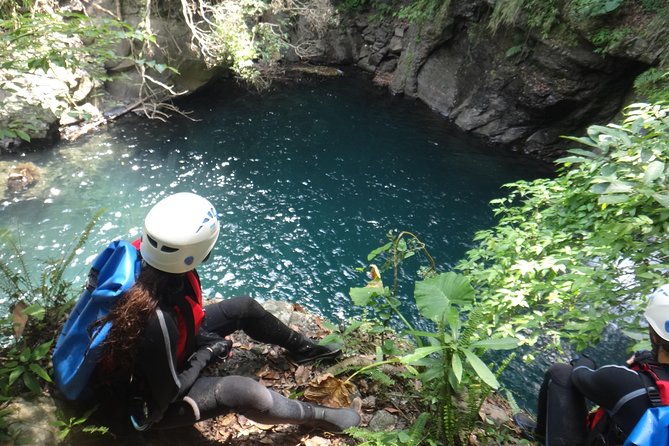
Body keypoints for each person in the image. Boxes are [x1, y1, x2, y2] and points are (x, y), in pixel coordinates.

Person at [88, 192, 361, 435]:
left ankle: (304, 349)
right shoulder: (156, 320)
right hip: (143, 404)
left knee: (244, 307)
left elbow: (179, 321)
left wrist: (200, 336)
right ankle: (323, 418)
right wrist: (207, 353)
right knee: (241, 391)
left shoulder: (147, 258)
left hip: (157, 353)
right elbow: (169, 393)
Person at [517, 285, 669, 445]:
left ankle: (541, 434)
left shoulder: (626, 382)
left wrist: (583, 361)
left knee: (561, 373)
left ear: (655, 337)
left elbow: (580, 376)